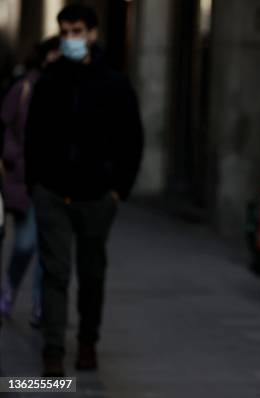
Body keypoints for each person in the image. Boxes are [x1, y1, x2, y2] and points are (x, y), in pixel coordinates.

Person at [25, 4, 143, 376]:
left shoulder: (114, 83)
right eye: (64, 32)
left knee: (91, 273)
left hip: (97, 196)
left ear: (91, 34)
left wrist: (118, 191)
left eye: (76, 31)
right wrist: (36, 185)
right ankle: (54, 350)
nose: (70, 39)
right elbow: (33, 136)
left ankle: (88, 340)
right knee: (55, 272)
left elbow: (131, 140)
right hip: (53, 194)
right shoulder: (49, 81)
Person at [0, 37, 60, 327]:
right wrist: (14, 157)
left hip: (57, 183)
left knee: (49, 250)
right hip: (26, 180)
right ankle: (10, 287)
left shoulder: (69, 89)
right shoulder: (24, 88)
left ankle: (40, 303)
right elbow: (4, 128)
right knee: (25, 243)